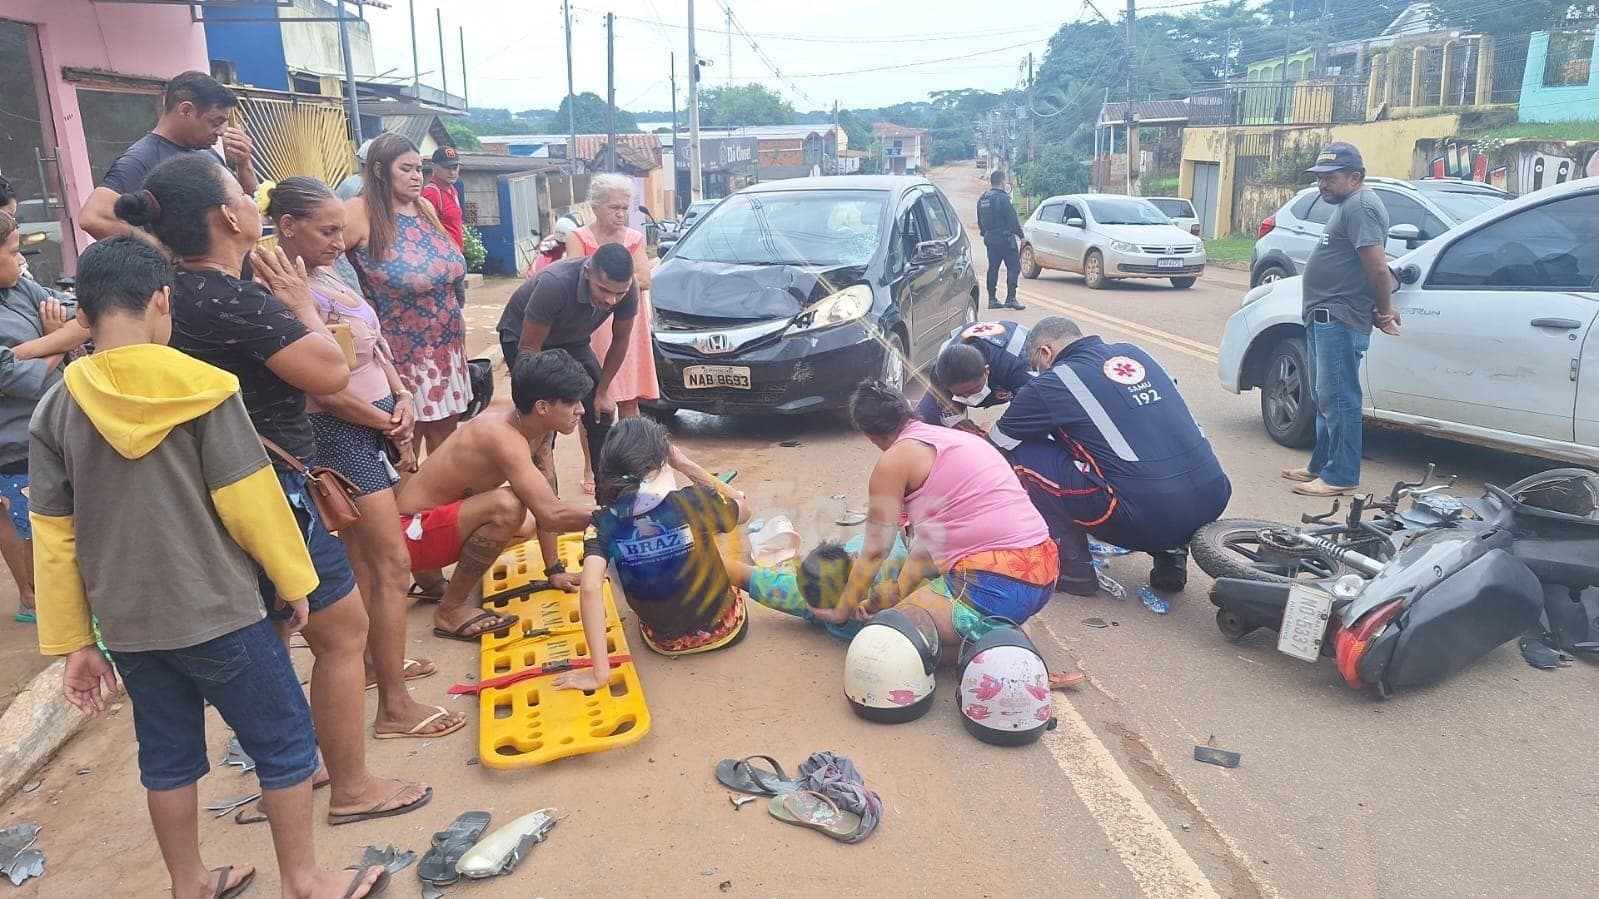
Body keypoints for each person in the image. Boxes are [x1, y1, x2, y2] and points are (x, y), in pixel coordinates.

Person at [30, 236, 389, 899]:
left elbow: (53, 536)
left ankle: (189, 883)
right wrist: (295, 582)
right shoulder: (205, 387)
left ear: (85, 311)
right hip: (220, 610)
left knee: (166, 757)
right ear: (161, 302)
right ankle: (304, 880)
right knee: (282, 741)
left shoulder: (57, 406)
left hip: (132, 628)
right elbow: (249, 501)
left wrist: (77, 640)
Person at [116, 153, 432, 827]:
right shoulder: (234, 298)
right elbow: (327, 371)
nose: (249, 203)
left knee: (277, 631)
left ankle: (301, 766)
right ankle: (349, 784)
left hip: (201, 494)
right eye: (240, 193)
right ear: (229, 217)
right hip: (268, 489)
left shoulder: (167, 293)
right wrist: (296, 305)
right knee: (341, 629)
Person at [267, 176, 464, 740]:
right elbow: (321, 387)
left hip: (372, 422)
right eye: (327, 230)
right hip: (340, 434)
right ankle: (395, 709)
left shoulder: (329, 272)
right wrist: (383, 422)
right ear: (288, 228)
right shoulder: (284, 290)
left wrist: (401, 397)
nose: (338, 239)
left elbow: (373, 344)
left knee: (365, 565)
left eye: (340, 229)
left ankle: (380, 667)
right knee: (391, 565)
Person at [837, 382, 1078, 689]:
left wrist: (843, 609)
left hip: (994, 586)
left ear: (871, 436)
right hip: (1042, 576)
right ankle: (1006, 645)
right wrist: (897, 593)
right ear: (909, 410)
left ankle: (1008, 657)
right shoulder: (955, 441)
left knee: (885, 636)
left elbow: (874, 551)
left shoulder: (895, 460)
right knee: (931, 643)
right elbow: (927, 548)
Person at [993, 316, 1232, 596]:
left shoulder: (1054, 381)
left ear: (1046, 352)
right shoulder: (1135, 354)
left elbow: (998, 442)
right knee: (1148, 447)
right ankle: (1171, 553)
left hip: (1141, 516)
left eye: (1037, 366)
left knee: (1021, 456)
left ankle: (1073, 570)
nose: (1037, 374)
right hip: (1212, 495)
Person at [395, 350, 598, 641]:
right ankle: (450, 609)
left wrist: (554, 570)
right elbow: (551, 514)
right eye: (571, 403)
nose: (580, 410)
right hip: (409, 534)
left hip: (432, 524)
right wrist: (620, 514)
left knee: (526, 522)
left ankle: (433, 579)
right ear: (542, 406)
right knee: (508, 507)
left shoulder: (534, 420)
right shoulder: (501, 434)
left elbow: (546, 497)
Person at [554, 416, 750, 692]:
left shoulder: (602, 522)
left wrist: (599, 674)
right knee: (710, 545)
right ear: (663, 460)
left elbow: (589, 588)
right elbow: (743, 508)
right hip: (725, 631)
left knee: (624, 559)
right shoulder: (692, 501)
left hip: (662, 640)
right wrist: (685, 464)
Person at [1283, 141, 1400, 497]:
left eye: (1330, 177)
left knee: (1340, 398)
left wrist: (1384, 309)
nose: (1322, 184)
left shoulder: (1362, 206)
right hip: (1325, 315)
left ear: (1355, 176)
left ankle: (1341, 476)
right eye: (1319, 177)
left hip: (1339, 316)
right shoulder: (1350, 204)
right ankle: (1321, 465)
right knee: (1324, 396)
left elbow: (1377, 268)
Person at [345, 132, 470, 454]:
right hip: (402, 355)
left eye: (419, 169)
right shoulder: (360, 213)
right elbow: (319, 258)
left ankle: (439, 506)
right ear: (378, 171)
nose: (416, 177)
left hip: (447, 348)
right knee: (404, 448)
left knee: (446, 450)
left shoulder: (425, 207)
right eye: (406, 169)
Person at [0, 211, 90, 623]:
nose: (22, 263)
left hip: (58, 424)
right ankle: (39, 601)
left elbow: (82, 322)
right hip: (15, 442)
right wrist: (50, 342)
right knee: (35, 526)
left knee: (69, 517)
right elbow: (16, 380)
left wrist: (28, 350)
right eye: (14, 252)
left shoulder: (18, 287)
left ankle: (62, 600)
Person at [79, 71, 256, 242]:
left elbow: (246, 205)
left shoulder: (206, 152)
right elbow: (93, 218)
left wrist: (244, 164)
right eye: (215, 123)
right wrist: (162, 252)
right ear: (186, 110)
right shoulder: (141, 159)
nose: (220, 132)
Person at [514, 244, 639, 487]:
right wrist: (542, 405)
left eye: (618, 294)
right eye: (603, 289)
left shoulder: (628, 288)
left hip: (572, 339)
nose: (611, 299)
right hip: (524, 340)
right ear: (587, 272)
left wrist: (602, 392)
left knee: (601, 412)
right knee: (541, 426)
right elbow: (528, 350)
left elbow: (621, 339)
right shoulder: (555, 283)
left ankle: (606, 500)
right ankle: (547, 509)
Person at [726, 534, 918, 641]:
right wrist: (875, 607)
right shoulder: (883, 588)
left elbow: (746, 576)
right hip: (901, 541)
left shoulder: (807, 597)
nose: (854, 555)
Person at [914, 320, 1034, 432]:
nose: (967, 397)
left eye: (972, 390)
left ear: (986, 371)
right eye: (959, 394)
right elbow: (950, 420)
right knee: (923, 427)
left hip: (1013, 371)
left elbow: (1025, 416)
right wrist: (974, 434)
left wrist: (992, 441)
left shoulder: (1019, 367)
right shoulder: (940, 375)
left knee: (1027, 436)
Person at [975, 170, 1026, 311]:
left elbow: (979, 221)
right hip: (1005, 239)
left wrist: (985, 233)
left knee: (993, 268)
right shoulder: (1003, 199)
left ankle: (992, 299)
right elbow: (1012, 220)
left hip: (990, 239)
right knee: (1014, 267)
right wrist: (1021, 236)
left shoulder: (983, 198)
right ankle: (1010, 298)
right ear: (1003, 183)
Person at [420, 146, 465, 254]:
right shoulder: (431, 194)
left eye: (455, 167)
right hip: (442, 257)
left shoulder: (452, 190)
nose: (452, 172)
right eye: (447, 168)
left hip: (456, 255)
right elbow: (425, 231)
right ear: (433, 167)